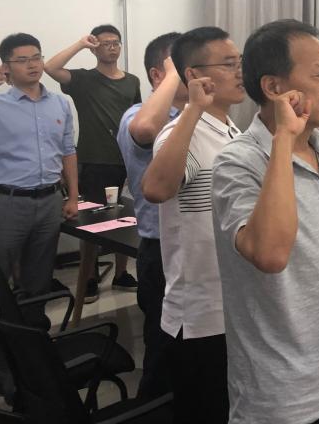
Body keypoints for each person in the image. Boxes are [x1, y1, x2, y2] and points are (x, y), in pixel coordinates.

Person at [212, 19, 319, 424]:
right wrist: (283, 138)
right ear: (274, 87)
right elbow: (270, 254)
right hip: (283, 395)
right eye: (318, 74)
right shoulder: (238, 161)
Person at [141, 26, 244, 424]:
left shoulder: (232, 131)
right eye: (228, 64)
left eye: (240, 62)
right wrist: (194, 110)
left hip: (232, 303)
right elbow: (156, 189)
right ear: (194, 75)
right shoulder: (181, 132)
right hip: (201, 314)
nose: (239, 72)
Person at [0, 33, 79, 320]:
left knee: (40, 275)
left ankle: (34, 332)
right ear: (6, 67)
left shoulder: (60, 103)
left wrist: (72, 196)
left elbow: (68, 151)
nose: (32, 65)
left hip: (49, 201)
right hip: (6, 204)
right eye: (22, 60)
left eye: (36, 57)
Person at [46, 25, 142, 301]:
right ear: (95, 47)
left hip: (127, 158)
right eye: (105, 43)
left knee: (127, 219)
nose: (112, 47)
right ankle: (89, 277)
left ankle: (121, 273)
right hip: (95, 159)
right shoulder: (84, 79)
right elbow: (50, 67)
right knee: (92, 222)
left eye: (116, 42)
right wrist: (81, 43)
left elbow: (136, 116)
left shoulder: (132, 81)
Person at [116, 31, 184, 399]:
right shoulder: (138, 115)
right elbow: (144, 130)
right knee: (163, 348)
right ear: (159, 75)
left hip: (197, 250)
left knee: (191, 352)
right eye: (186, 66)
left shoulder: (196, 116)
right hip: (162, 252)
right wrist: (174, 74)